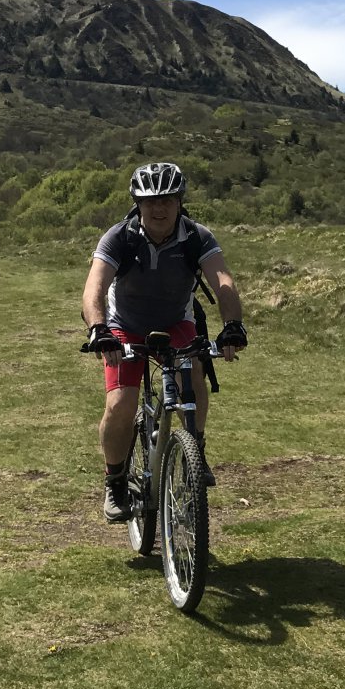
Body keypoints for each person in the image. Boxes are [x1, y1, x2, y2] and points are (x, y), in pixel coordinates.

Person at [82, 162, 247, 522]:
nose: (159, 208)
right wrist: (98, 329)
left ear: (179, 202)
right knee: (120, 403)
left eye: (168, 200)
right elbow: (94, 287)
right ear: (138, 204)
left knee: (194, 372)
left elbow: (223, 281)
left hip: (176, 322)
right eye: (150, 201)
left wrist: (233, 325)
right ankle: (115, 482)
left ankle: (195, 449)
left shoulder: (196, 237)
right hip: (124, 326)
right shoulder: (120, 237)